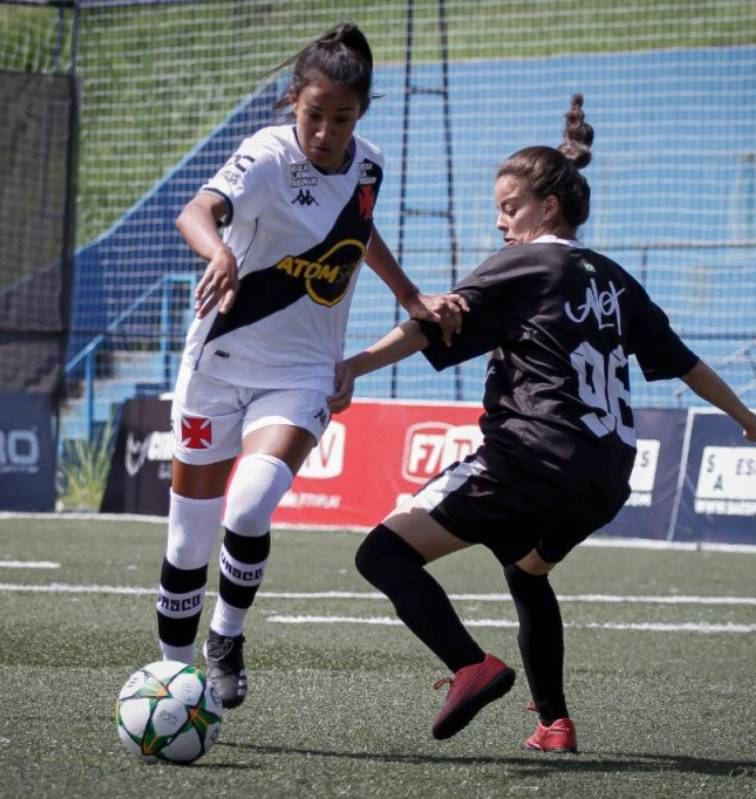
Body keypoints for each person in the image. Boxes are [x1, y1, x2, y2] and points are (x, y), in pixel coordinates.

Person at [329, 95, 756, 751]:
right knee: (526, 570)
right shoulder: (616, 280)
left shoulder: (527, 263)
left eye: (509, 207)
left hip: (531, 458)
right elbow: (688, 364)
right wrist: (750, 422)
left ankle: (471, 664)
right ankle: (554, 721)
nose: (499, 223)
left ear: (547, 207)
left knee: (381, 553)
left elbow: (436, 319)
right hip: (606, 476)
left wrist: (353, 364)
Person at [157, 21, 464, 710]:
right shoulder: (266, 158)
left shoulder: (370, 166)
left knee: (251, 502)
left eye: (342, 117)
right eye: (314, 114)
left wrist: (408, 293)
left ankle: (226, 637)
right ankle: (172, 683)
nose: (326, 130)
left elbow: (358, 226)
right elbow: (196, 210)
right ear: (293, 101)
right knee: (186, 544)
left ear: (363, 112)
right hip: (219, 363)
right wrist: (220, 252)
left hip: (301, 371)